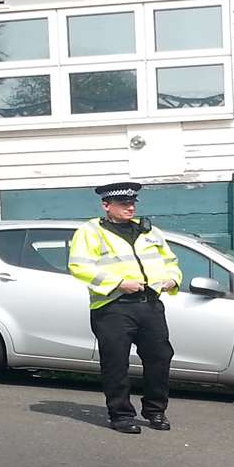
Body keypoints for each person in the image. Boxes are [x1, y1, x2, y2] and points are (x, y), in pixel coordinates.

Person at [67, 181, 180, 434]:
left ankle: (155, 410)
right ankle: (120, 415)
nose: (130, 207)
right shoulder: (90, 232)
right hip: (112, 307)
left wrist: (173, 279)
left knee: (160, 358)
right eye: (123, 204)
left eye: (132, 203)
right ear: (106, 205)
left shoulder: (149, 231)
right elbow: (79, 266)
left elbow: (170, 260)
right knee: (116, 362)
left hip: (150, 304)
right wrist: (119, 283)